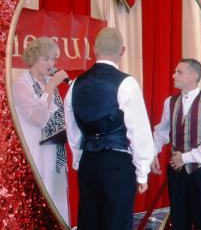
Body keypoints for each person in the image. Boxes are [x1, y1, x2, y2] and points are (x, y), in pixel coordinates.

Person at [64, 27, 154, 230]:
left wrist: (79, 159)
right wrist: (142, 173)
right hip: (117, 164)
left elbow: (72, 128)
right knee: (117, 223)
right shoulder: (127, 83)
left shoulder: (76, 83)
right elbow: (139, 131)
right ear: (122, 51)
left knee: (89, 223)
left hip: (88, 162)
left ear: (94, 49)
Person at [151, 58, 201, 230]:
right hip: (176, 172)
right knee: (179, 222)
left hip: (199, 172)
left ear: (193, 76)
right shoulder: (169, 102)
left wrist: (185, 157)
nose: (173, 75)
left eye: (179, 72)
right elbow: (161, 132)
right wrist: (153, 152)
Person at [12, 37, 70, 224]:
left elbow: (58, 116)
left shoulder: (47, 81)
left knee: (57, 198)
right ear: (34, 58)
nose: (51, 64)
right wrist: (52, 85)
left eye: (53, 59)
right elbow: (38, 118)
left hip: (54, 150)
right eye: (46, 59)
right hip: (35, 152)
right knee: (40, 200)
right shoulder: (22, 84)